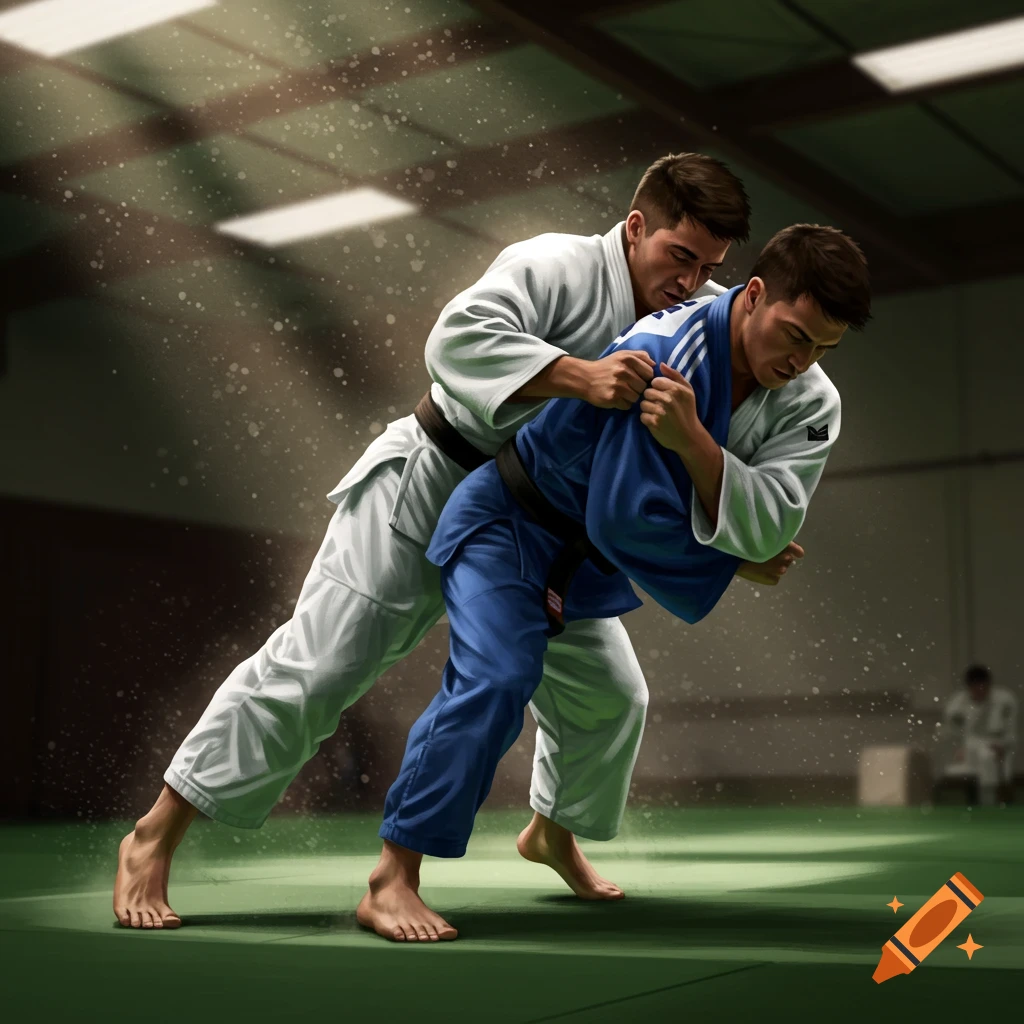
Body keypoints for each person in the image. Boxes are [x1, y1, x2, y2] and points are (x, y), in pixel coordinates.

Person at [113, 153, 754, 929]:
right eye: (678, 257)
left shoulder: (697, 318)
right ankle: (155, 834)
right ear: (636, 226)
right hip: (429, 481)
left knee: (611, 696)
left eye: (709, 267)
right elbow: (455, 341)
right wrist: (577, 376)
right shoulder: (552, 264)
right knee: (320, 667)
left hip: (535, 528)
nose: (690, 281)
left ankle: (551, 833)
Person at [357, 223, 872, 942]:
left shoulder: (813, 402)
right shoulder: (666, 349)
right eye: (794, 334)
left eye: (824, 347)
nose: (803, 360)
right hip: (513, 521)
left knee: (614, 700)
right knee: (499, 677)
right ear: (753, 295)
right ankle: (392, 876)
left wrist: (694, 443)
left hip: (585, 556)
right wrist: (727, 555)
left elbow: (768, 525)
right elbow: (627, 518)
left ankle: (550, 834)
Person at [944, 664, 1018, 805]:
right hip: (971, 744)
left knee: (987, 758)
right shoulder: (957, 704)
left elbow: (1011, 729)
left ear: (989, 685)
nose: (980, 691)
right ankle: (976, 803)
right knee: (973, 767)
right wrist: (960, 748)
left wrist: (1005, 745)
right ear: (968, 688)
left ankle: (989, 803)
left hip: (998, 743)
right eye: (975, 688)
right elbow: (954, 731)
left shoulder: (1005, 700)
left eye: (983, 687)